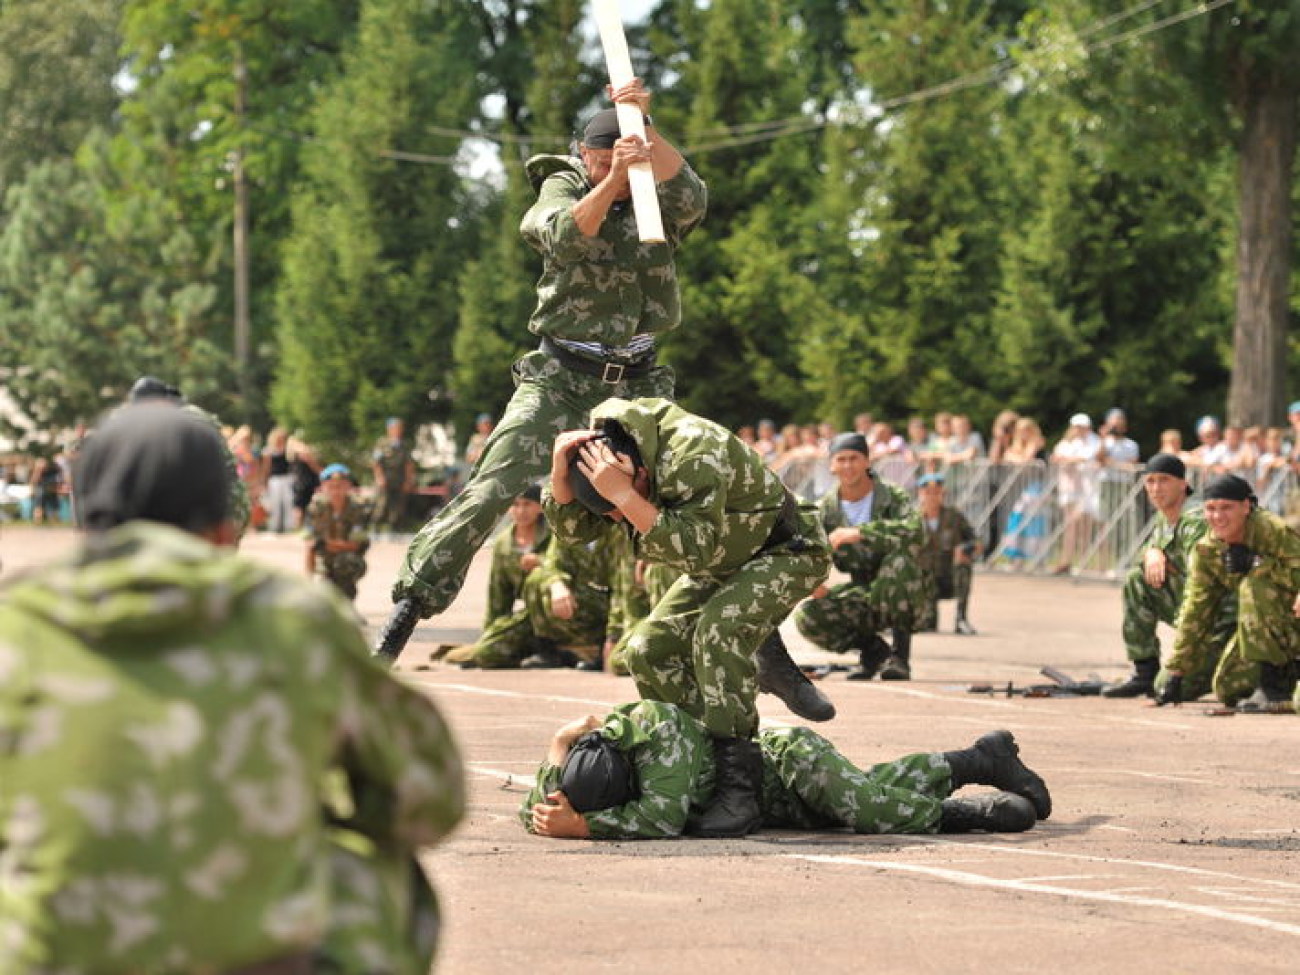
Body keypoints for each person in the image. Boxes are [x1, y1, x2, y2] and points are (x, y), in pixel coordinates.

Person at [0, 403, 464, 973]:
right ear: (225, 525)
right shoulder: (292, 618)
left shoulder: (14, 629)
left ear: (80, 514)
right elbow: (433, 799)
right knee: (366, 865)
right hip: (254, 958)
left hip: (53, 960)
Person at [376, 78, 708, 661]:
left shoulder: (654, 197)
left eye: (619, 158)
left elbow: (694, 198)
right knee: (492, 487)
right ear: (584, 155)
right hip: (561, 376)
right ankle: (407, 611)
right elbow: (557, 234)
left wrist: (644, 125)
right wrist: (610, 179)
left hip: (640, 380)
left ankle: (730, 630)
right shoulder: (567, 183)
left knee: (692, 488)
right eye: (599, 158)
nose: (610, 166)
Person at [545, 397, 835, 837]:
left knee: (717, 634)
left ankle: (741, 790)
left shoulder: (694, 450)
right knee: (645, 650)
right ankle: (701, 761)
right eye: (615, 513)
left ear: (637, 470)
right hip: (722, 559)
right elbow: (575, 533)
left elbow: (692, 548)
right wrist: (559, 474)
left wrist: (622, 495)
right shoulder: (606, 458)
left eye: (623, 504)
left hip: (784, 551)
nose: (621, 518)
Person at [521, 701, 1051, 840]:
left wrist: (588, 826)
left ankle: (962, 815)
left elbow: (659, 817)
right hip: (768, 801)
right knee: (865, 789)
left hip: (783, 759)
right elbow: (540, 809)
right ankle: (980, 759)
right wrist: (555, 749)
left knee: (859, 805)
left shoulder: (657, 732)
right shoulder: (586, 753)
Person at [794, 432, 931, 681]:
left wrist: (862, 532)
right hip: (863, 591)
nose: (848, 465)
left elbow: (916, 531)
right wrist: (812, 582)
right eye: (841, 459)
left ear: (867, 461)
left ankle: (900, 658)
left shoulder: (891, 496)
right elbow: (808, 550)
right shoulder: (826, 509)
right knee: (808, 616)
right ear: (832, 466)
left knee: (898, 563)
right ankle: (875, 652)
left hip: (904, 589)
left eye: (854, 458)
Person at [1157, 473, 1300, 711]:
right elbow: (1196, 607)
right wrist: (1177, 670)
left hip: (1293, 620)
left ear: (1246, 506)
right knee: (1228, 688)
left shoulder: (1272, 530)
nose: (1218, 517)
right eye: (1211, 509)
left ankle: (1273, 689)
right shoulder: (1207, 550)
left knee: (1254, 585)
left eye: (1226, 508)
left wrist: (1258, 564)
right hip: (1267, 632)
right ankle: (1290, 675)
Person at [1101, 454, 1234, 698]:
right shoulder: (1167, 516)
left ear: (1183, 484)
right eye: (1150, 481)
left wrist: (1182, 656)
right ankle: (1144, 672)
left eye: (1164, 480)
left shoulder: (1195, 520)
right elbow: (1150, 548)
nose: (1156, 488)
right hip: (1194, 612)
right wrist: (1151, 552)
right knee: (1136, 580)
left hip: (1219, 619)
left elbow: (1201, 587)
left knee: (1170, 687)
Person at [446, 519, 616, 671]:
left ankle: (557, 651)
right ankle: (550, 649)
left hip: (577, 606)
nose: (521, 511)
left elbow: (554, 564)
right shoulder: (504, 544)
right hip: (535, 616)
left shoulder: (556, 531)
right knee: (487, 653)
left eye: (527, 504)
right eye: (516, 505)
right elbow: (498, 594)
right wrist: (492, 632)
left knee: (536, 578)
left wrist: (541, 563)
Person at [916, 472, 982, 635]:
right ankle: (925, 617)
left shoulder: (954, 517)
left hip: (949, 577)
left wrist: (966, 549)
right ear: (920, 494)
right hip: (924, 581)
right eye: (928, 492)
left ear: (942, 494)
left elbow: (977, 541)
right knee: (928, 625)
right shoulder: (912, 520)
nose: (932, 496)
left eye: (936, 492)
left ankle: (961, 619)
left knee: (963, 564)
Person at [303, 463, 371, 600]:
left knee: (345, 563)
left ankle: (347, 608)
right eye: (331, 486)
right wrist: (308, 582)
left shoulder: (359, 507)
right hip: (324, 561)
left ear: (348, 486)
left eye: (340, 486)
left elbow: (355, 545)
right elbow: (310, 545)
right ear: (323, 487)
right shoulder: (316, 508)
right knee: (321, 595)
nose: (335, 491)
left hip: (350, 559)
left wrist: (326, 543)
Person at [1051, 413, 1105, 573]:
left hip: (1088, 489)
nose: (1079, 429)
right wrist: (1072, 460)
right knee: (1072, 526)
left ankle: (1083, 561)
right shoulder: (1069, 442)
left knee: (1084, 527)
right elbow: (1058, 457)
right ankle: (1069, 560)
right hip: (1071, 489)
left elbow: (1086, 458)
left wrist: (1070, 460)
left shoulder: (1094, 441)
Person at [371, 416, 416, 535]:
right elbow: (376, 463)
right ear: (389, 429)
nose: (398, 430)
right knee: (382, 505)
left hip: (399, 480)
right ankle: (375, 529)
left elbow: (409, 464)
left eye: (400, 428)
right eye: (395, 428)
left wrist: (408, 481)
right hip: (385, 479)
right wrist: (379, 478)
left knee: (398, 507)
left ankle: (395, 530)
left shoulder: (404, 445)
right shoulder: (382, 443)